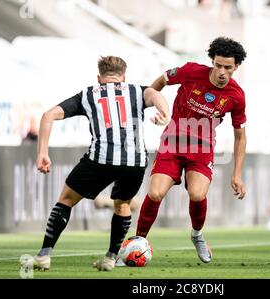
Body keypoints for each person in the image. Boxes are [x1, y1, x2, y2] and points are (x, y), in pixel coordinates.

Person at [22, 56, 170, 272]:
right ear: (124, 77)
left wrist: (42, 152)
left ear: (99, 77)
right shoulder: (137, 91)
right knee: (123, 204)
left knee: (66, 199)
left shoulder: (89, 94)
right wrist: (164, 115)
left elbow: (48, 116)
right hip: (135, 161)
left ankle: (44, 255)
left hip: (101, 158)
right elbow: (155, 95)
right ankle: (110, 258)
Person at [136, 37, 247, 263]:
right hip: (172, 143)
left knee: (197, 194)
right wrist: (148, 107)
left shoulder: (237, 96)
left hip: (202, 150)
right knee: (155, 193)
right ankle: (137, 242)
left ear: (236, 67)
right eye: (217, 65)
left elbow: (240, 137)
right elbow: (159, 83)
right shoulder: (190, 71)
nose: (222, 72)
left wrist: (236, 174)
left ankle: (197, 235)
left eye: (227, 67)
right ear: (212, 62)